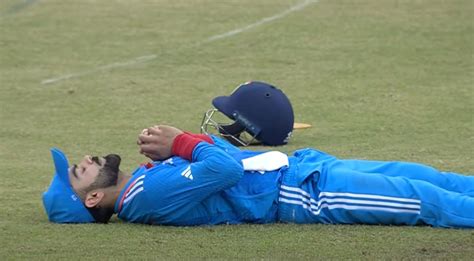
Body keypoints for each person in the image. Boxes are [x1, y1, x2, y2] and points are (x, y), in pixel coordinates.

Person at [42, 124, 474, 228]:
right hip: (305, 195)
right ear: (92, 200)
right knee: (421, 199)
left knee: (426, 176)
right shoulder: (146, 197)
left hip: (305, 169)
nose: (83, 160)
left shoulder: (144, 179)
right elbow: (226, 168)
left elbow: (224, 160)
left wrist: (198, 138)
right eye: (77, 173)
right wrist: (181, 142)